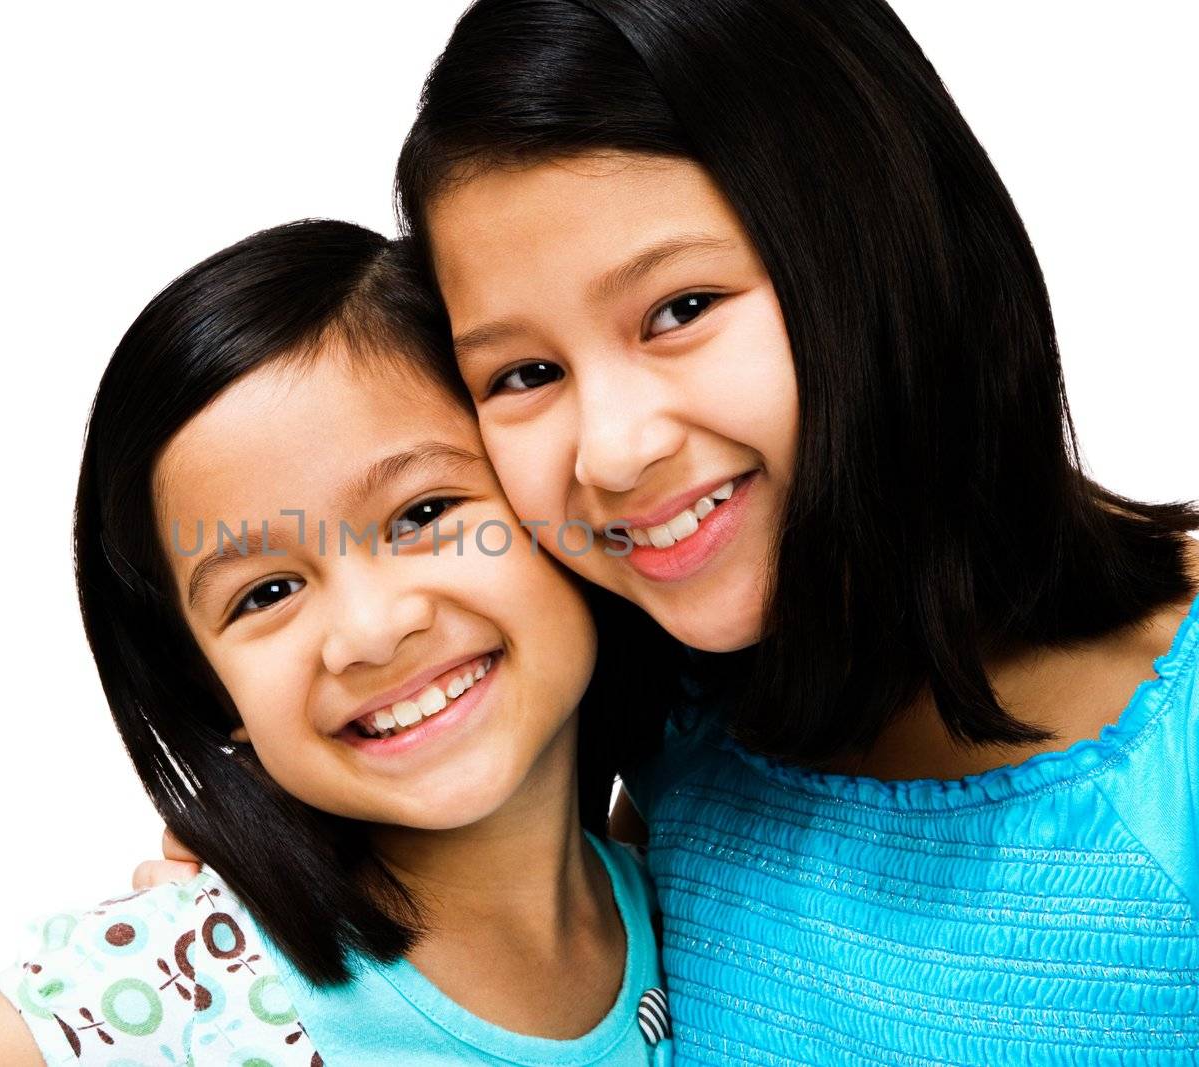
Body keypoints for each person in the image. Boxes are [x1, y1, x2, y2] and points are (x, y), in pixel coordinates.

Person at [147, 1, 1199, 1061]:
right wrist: (270, 877)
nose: (611, 451)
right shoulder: (674, 713)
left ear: (883, 247)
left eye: (680, 307)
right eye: (523, 374)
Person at [0, 220, 676, 1066]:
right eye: (266, 593)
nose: (372, 630)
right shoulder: (170, 991)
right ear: (208, 690)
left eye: (423, 513)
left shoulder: (696, 903)